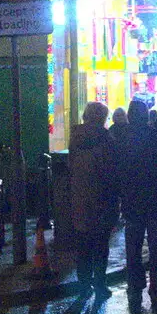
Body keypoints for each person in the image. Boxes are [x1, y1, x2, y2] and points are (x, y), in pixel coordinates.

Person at [117, 99, 157, 307]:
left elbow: (117, 174)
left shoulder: (122, 141)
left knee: (133, 247)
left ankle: (135, 285)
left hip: (132, 203)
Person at [68, 101, 119, 300]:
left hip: (80, 198)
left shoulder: (75, 138)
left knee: (83, 245)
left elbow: (72, 167)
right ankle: (99, 285)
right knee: (100, 245)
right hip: (102, 199)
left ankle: (83, 286)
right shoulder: (106, 139)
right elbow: (111, 171)